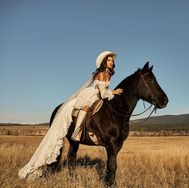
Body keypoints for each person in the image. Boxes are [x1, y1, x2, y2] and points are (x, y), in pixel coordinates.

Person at [18, 51, 123, 179]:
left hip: (100, 95)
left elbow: (104, 92)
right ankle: (77, 130)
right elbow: (101, 91)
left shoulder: (109, 75)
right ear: (104, 62)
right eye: (109, 60)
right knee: (87, 106)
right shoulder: (100, 73)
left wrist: (111, 92)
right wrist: (114, 91)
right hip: (92, 94)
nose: (111, 62)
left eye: (112, 61)